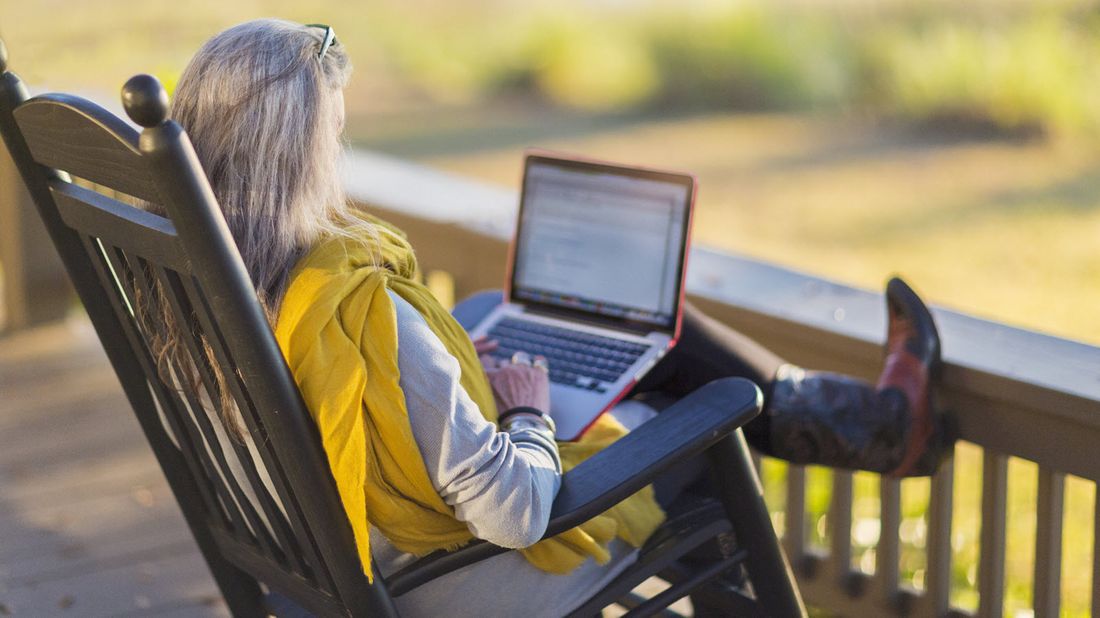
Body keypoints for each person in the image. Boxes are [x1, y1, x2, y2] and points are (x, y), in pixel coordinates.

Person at [164, 19, 951, 617]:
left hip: (323, 576)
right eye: (335, 135)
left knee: (656, 354)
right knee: (701, 418)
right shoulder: (362, 315)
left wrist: (452, 370)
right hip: (444, 587)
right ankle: (872, 426)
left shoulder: (196, 294)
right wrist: (528, 413)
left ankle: (871, 424)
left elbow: (371, 409)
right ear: (305, 158)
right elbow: (515, 512)